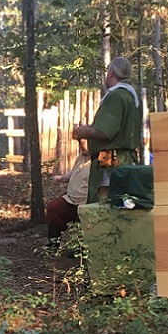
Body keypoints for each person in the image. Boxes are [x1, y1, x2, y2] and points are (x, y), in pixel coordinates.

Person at [73, 57, 143, 203]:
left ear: (111, 73)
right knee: (125, 202)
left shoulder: (116, 96)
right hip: (126, 158)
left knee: (104, 202)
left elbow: (104, 132)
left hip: (110, 158)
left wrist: (83, 131)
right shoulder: (133, 96)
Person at [43, 137, 91, 250]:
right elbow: (73, 173)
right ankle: (53, 244)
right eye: (79, 143)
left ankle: (81, 248)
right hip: (71, 199)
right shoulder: (81, 157)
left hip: (86, 202)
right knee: (53, 208)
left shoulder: (99, 160)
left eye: (83, 143)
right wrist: (61, 178)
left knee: (84, 223)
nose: (80, 146)